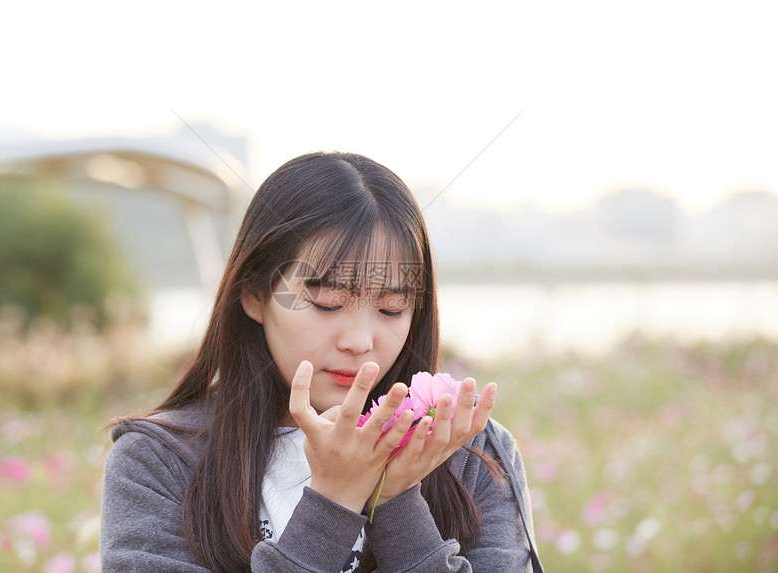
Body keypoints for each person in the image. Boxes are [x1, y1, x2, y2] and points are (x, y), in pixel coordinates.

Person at [99, 151, 542, 572]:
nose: (359, 341)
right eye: (328, 303)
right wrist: (333, 501)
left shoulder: (469, 451)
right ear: (254, 295)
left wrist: (396, 499)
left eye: (391, 308)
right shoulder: (156, 462)